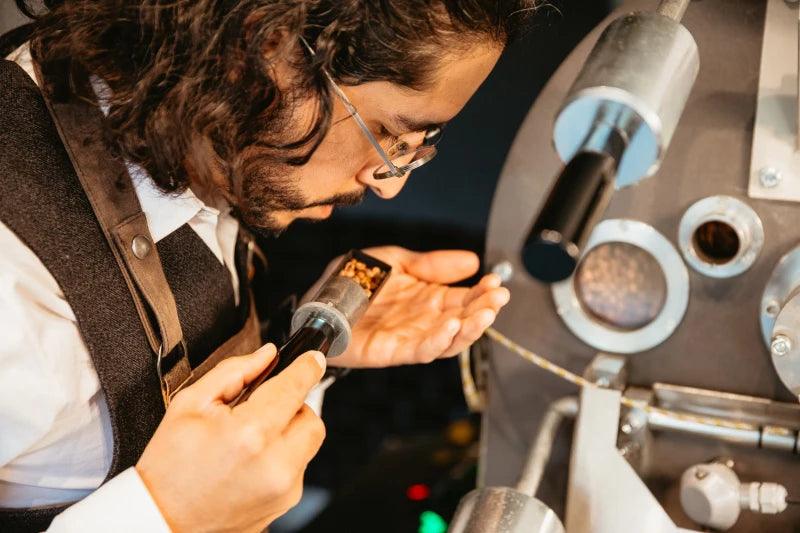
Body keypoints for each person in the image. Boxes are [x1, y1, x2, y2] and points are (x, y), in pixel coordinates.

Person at [0, 0, 531, 531]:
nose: (391, 184)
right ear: (262, 48)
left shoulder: (208, 134)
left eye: (421, 144)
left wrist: (315, 337)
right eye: (389, 134)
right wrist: (167, 517)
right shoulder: (13, 290)